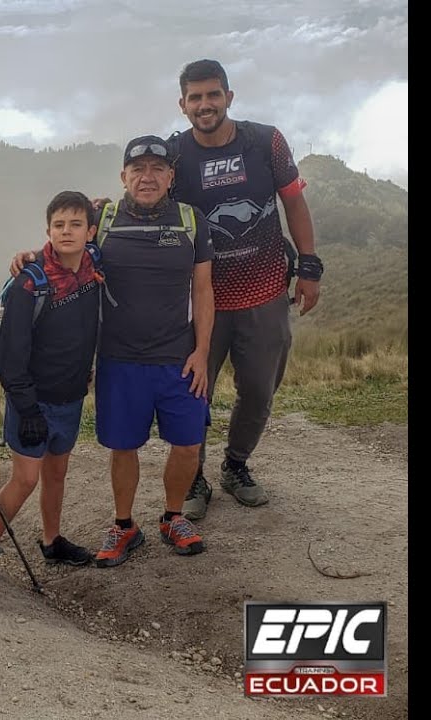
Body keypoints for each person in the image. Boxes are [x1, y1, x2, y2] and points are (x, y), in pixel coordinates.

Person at [168, 59, 322, 519]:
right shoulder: (174, 154)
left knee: (259, 390)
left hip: (265, 293)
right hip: (202, 301)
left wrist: (309, 265)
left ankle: (235, 465)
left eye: (213, 94)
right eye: (195, 97)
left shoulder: (265, 141)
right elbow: (148, 199)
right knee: (194, 395)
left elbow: (294, 201)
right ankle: (193, 475)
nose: (204, 104)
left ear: (229, 97)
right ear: (182, 105)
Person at [89, 137, 215, 568]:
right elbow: (63, 254)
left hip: (178, 358)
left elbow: (203, 290)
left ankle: (173, 516)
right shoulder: (100, 217)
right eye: (137, 169)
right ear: (123, 176)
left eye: (157, 169)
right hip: (119, 359)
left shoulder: (191, 221)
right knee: (123, 447)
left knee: (188, 446)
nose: (147, 177)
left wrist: (202, 352)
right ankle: (124, 525)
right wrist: (28, 256)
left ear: (171, 177)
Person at [0, 191, 99, 577]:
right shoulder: (31, 281)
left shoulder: (95, 268)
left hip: (71, 396)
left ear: (91, 231)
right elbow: (11, 352)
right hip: (33, 401)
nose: (67, 232)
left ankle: (51, 541)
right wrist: (25, 406)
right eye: (59, 225)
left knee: (56, 473)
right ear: (48, 230)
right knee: (25, 478)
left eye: (76, 224)